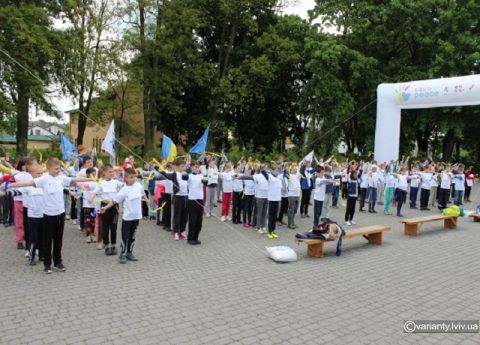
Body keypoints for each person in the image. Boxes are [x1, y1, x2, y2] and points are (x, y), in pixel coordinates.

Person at [11, 158, 91, 273]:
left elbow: (74, 179)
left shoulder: (61, 178)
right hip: (48, 214)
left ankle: (58, 262)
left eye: (59, 168)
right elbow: (29, 183)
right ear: (48, 168)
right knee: (48, 240)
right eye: (56, 169)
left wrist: (91, 179)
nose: (58, 171)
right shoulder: (43, 179)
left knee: (59, 239)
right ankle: (47, 264)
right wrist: (14, 184)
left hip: (60, 213)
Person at [100, 168, 147, 263]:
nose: (134, 179)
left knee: (132, 236)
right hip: (127, 218)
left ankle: (130, 252)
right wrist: (106, 208)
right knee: (125, 236)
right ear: (126, 178)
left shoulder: (138, 185)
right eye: (131, 177)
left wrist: (147, 200)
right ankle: (123, 253)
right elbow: (114, 201)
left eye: (134, 177)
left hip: (136, 217)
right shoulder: (124, 190)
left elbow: (143, 194)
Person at [89, 164, 123, 255]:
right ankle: (107, 245)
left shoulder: (116, 182)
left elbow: (124, 185)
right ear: (104, 173)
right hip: (104, 206)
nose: (112, 173)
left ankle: (113, 245)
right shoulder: (101, 183)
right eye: (110, 172)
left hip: (114, 206)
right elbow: (95, 192)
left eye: (113, 172)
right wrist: (91, 198)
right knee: (105, 227)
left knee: (114, 226)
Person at [182, 161, 206, 245]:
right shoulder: (190, 176)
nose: (197, 168)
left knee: (199, 221)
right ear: (192, 167)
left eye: (198, 167)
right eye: (195, 167)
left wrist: (204, 180)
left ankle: (196, 237)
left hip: (200, 200)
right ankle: (190, 238)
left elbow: (205, 182)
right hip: (192, 200)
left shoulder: (201, 175)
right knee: (193, 220)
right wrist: (185, 170)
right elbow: (184, 177)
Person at [286, 163, 300, 229]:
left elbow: (301, 169)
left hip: (297, 194)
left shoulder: (297, 175)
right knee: (291, 209)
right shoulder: (288, 175)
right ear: (291, 170)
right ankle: (290, 224)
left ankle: (293, 222)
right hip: (291, 194)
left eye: (296, 169)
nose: (295, 170)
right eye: (294, 169)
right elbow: (285, 171)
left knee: (295, 209)